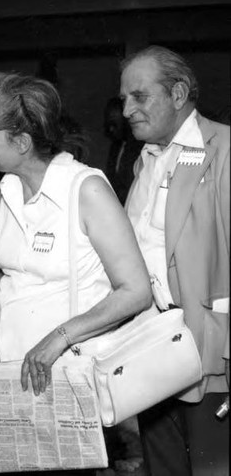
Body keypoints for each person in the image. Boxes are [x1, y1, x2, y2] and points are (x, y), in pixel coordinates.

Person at [0, 71, 151, 398]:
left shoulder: (86, 190)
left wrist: (58, 338)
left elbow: (136, 292)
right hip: (8, 367)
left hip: (70, 372)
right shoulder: (9, 187)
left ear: (21, 142)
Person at [120, 45, 229, 476]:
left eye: (139, 96)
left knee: (212, 466)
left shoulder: (223, 150)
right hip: (150, 343)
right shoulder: (144, 160)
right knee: (162, 463)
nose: (127, 109)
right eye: (124, 98)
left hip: (211, 352)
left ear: (179, 93)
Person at [104, 96, 144, 205]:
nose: (111, 129)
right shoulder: (116, 146)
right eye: (109, 124)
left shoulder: (140, 149)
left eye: (115, 124)